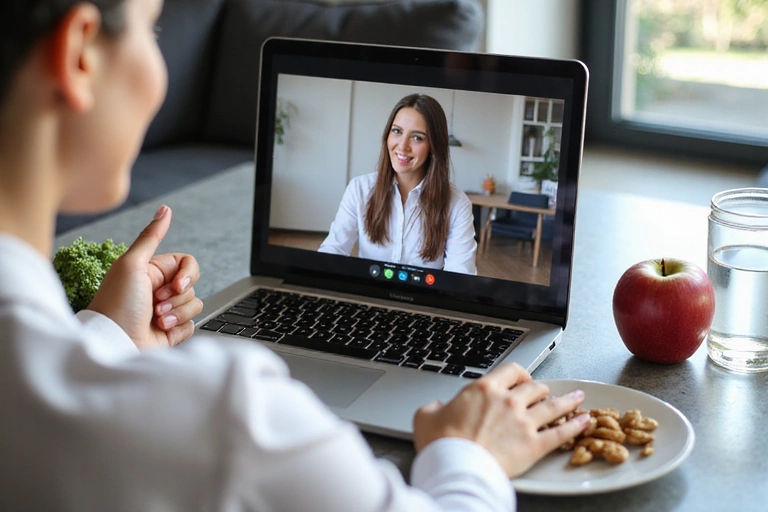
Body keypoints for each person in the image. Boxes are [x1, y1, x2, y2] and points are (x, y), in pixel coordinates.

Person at [0, 1, 591, 510]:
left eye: (416, 136)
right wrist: (468, 453)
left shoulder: (454, 202)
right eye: (153, 30)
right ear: (80, 52)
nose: (402, 146)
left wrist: (105, 333)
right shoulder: (231, 411)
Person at [319, 94, 479, 274]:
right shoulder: (359, 189)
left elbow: (459, 275)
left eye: (417, 138)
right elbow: (333, 250)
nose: (402, 146)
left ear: (434, 146)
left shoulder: (457, 204)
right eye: (397, 131)